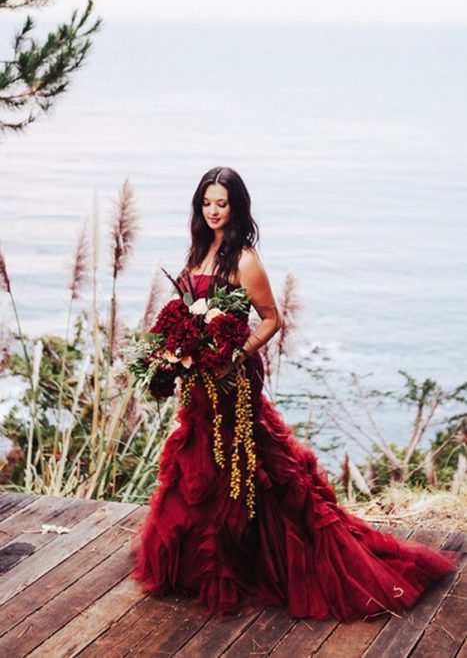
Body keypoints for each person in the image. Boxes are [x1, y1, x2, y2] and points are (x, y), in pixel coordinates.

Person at [130, 166, 458, 621]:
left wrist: (235, 353)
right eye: (206, 203)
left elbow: (270, 319)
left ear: (237, 207)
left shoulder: (244, 259)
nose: (213, 211)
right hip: (204, 379)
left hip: (234, 377)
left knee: (249, 463)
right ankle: (195, 567)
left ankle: (252, 563)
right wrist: (176, 352)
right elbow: (188, 313)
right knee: (200, 463)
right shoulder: (198, 253)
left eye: (221, 203)